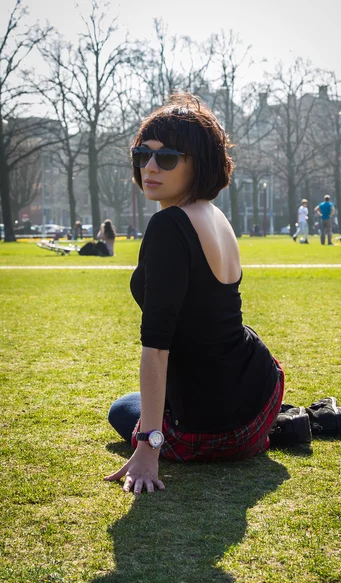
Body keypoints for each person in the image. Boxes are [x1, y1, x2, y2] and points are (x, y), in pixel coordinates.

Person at [104, 93, 285, 495]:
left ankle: (261, 429)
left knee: (121, 409)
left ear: (197, 164)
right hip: (260, 390)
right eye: (141, 155)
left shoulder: (169, 226)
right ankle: (277, 424)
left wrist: (148, 446)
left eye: (167, 157)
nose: (149, 167)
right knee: (137, 401)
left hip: (208, 426)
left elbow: (156, 348)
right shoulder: (216, 216)